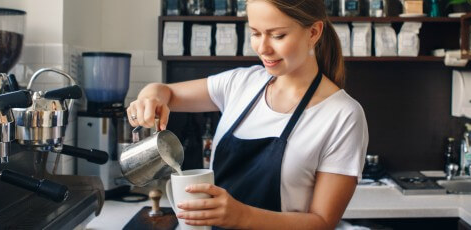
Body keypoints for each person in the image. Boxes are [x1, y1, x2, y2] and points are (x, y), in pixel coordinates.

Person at [127, 0, 368, 228]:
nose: (263, 48)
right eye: (255, 33)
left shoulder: (342, 115)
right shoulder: (241, 83)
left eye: (277, 35)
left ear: (314, 32)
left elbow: (322, 222)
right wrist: (151, 96)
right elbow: (165, 92)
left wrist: (240, 216)